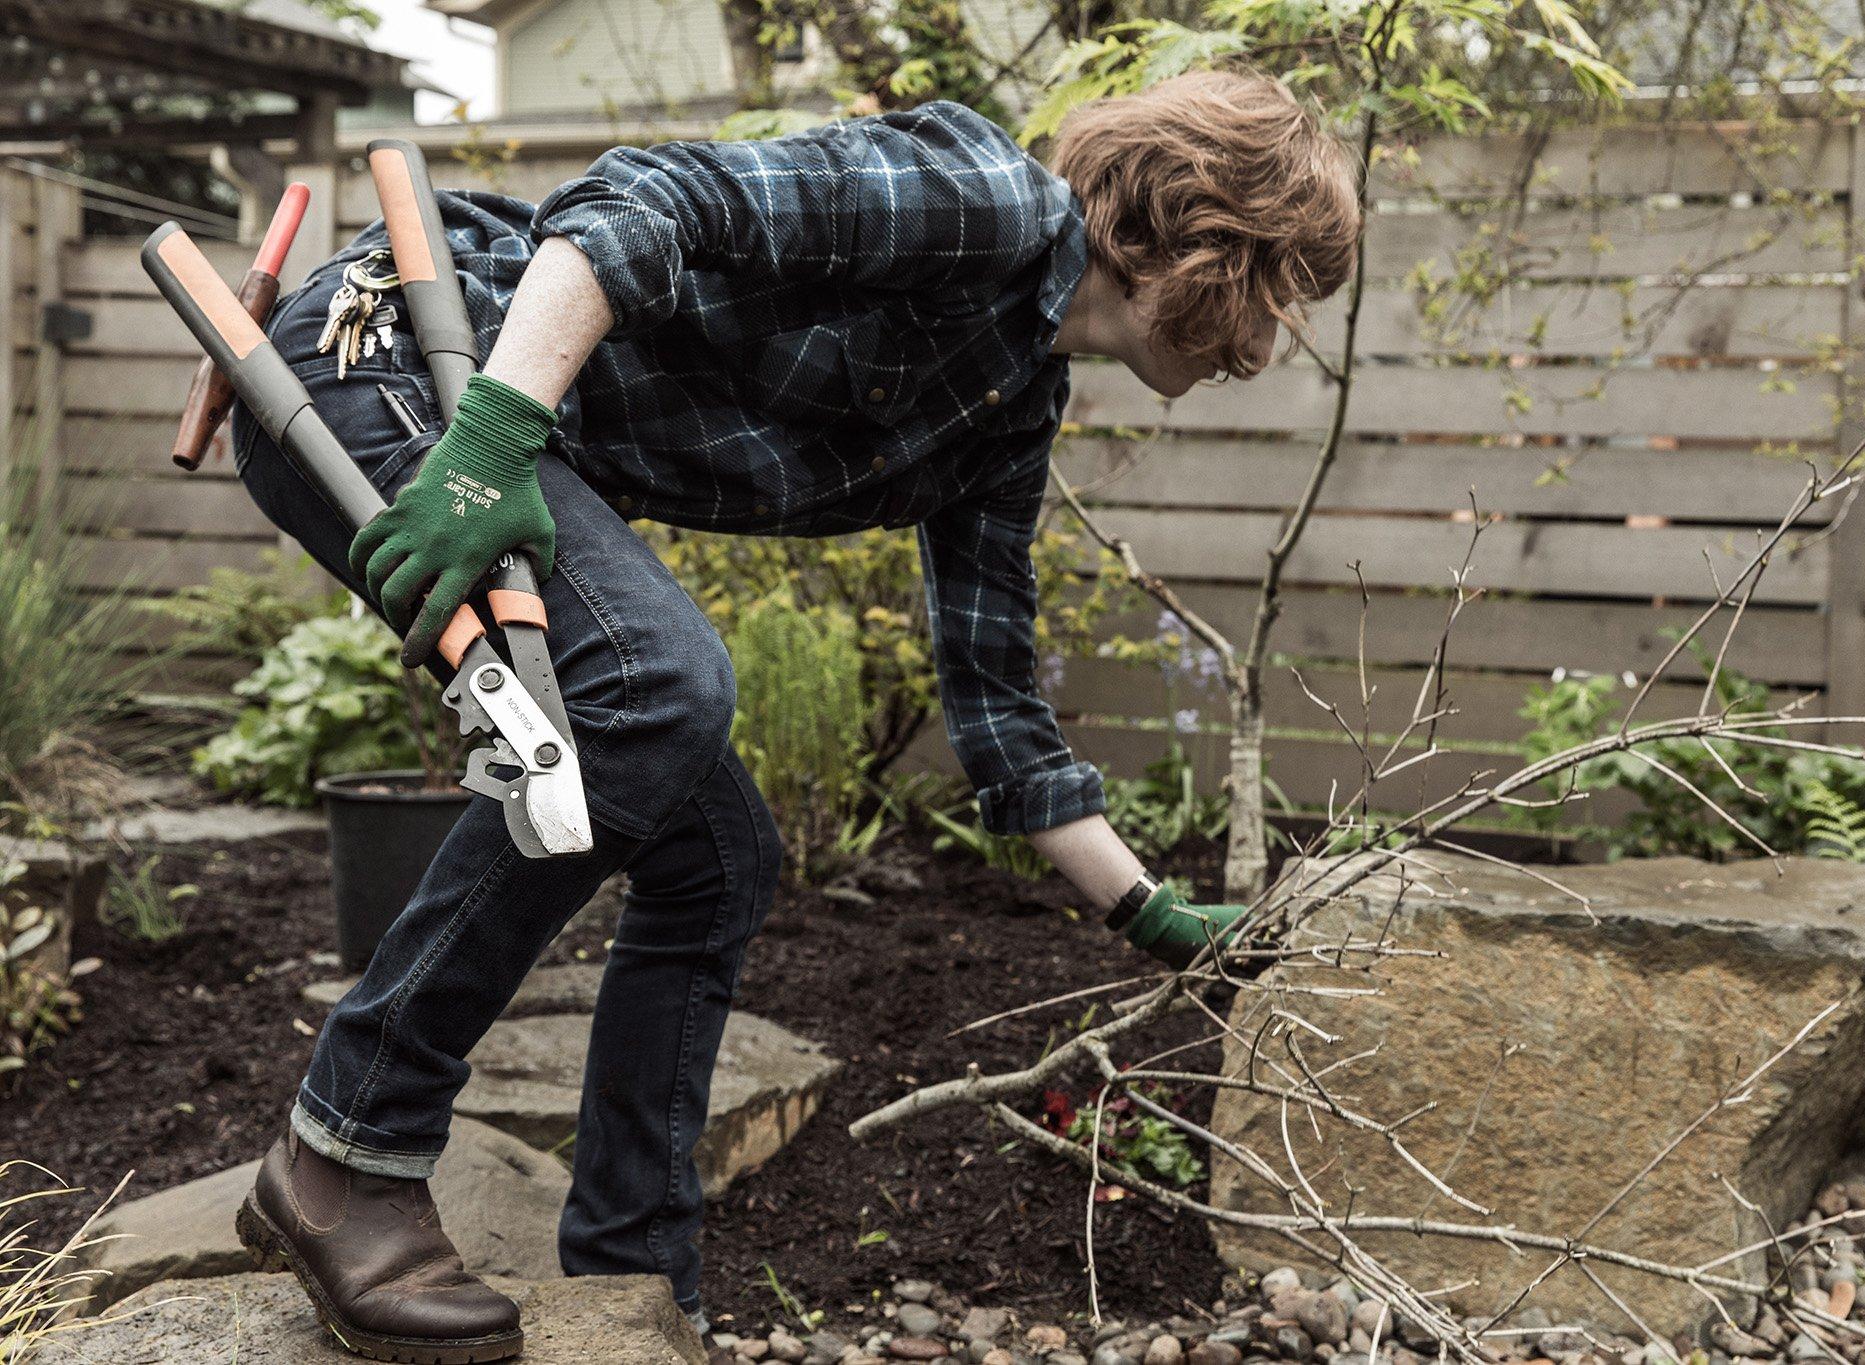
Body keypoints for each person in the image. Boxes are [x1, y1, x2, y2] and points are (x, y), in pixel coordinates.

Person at [227, 68, 1359, 1364]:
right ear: (1199, 230)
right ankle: (348, 1142)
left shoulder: (1006, 412)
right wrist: (489, 443)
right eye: (1272, 293)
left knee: (720, 856)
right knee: (659, 684)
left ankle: (635, 1288)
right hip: (401, 370)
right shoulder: (985, 200)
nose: (1262, 350)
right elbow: (648, 198)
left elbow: (991, 690)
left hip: (501, 433)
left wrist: (1151, 913)